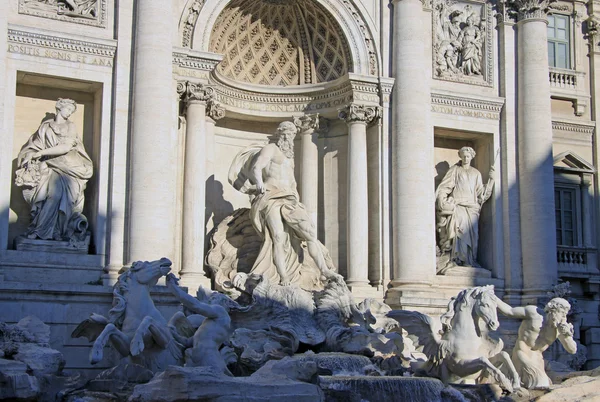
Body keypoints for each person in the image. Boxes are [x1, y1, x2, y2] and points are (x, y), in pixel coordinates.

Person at [228, 121, 336, 288]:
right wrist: (259, 184)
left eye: (291, 134)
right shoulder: (270, 148)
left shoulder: (289, 156)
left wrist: (297, 198)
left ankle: (324, 270)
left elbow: (292, 181)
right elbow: (257, 166)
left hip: (289, 198)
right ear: (279, 134)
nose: (288, 137)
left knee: (310, 233)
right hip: (271, 196)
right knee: (278, 237)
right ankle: (283, 276)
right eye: (285, 133)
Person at [16, 98, 93, 242]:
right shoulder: (45, 127)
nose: (69, 113)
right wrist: (30, 155)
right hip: (49, 165)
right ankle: (45, 231)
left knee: (58, 197)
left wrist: (39, 153)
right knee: (46, 197)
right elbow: (34, 146)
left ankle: (51, 231)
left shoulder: (70, 126)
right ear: (59, 107)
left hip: (69, 167)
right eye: (68, 109)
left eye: (72, 111)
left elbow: (65, 148)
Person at [493, 296, 577, 389]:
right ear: (552, 309)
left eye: (565, 314)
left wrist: (566, 336)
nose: (564, 317)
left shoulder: (559, 328)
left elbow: (572, 350)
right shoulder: (534, 313)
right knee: (540, 383)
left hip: (538, 360)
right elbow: (510, 311)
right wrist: (493, 298)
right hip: (522, 354)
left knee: (542, 385)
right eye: (562, 313)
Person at [435, 146, 494, 271]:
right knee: (457, 234)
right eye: (463, 156)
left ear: (472, 157)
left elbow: (481, 195)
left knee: (472, 235)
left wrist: (492, 180)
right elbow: (445, 186)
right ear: (460, 157)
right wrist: (442, 198)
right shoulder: (455, 170)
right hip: (458, 206)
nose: (465, 158)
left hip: (472, 208)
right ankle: (455, 259)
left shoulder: (476, 173)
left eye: (468, 156)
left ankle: (469, 260)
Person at [165, 273, 233, 375]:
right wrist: (174, 334)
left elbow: (196, 306)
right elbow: (189, 342)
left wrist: (174, 288)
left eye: (213, 298)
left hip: (209, 357)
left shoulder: (220, 312)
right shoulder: (209, 323)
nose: (210, 300)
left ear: (222, 302)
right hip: (196, 358)